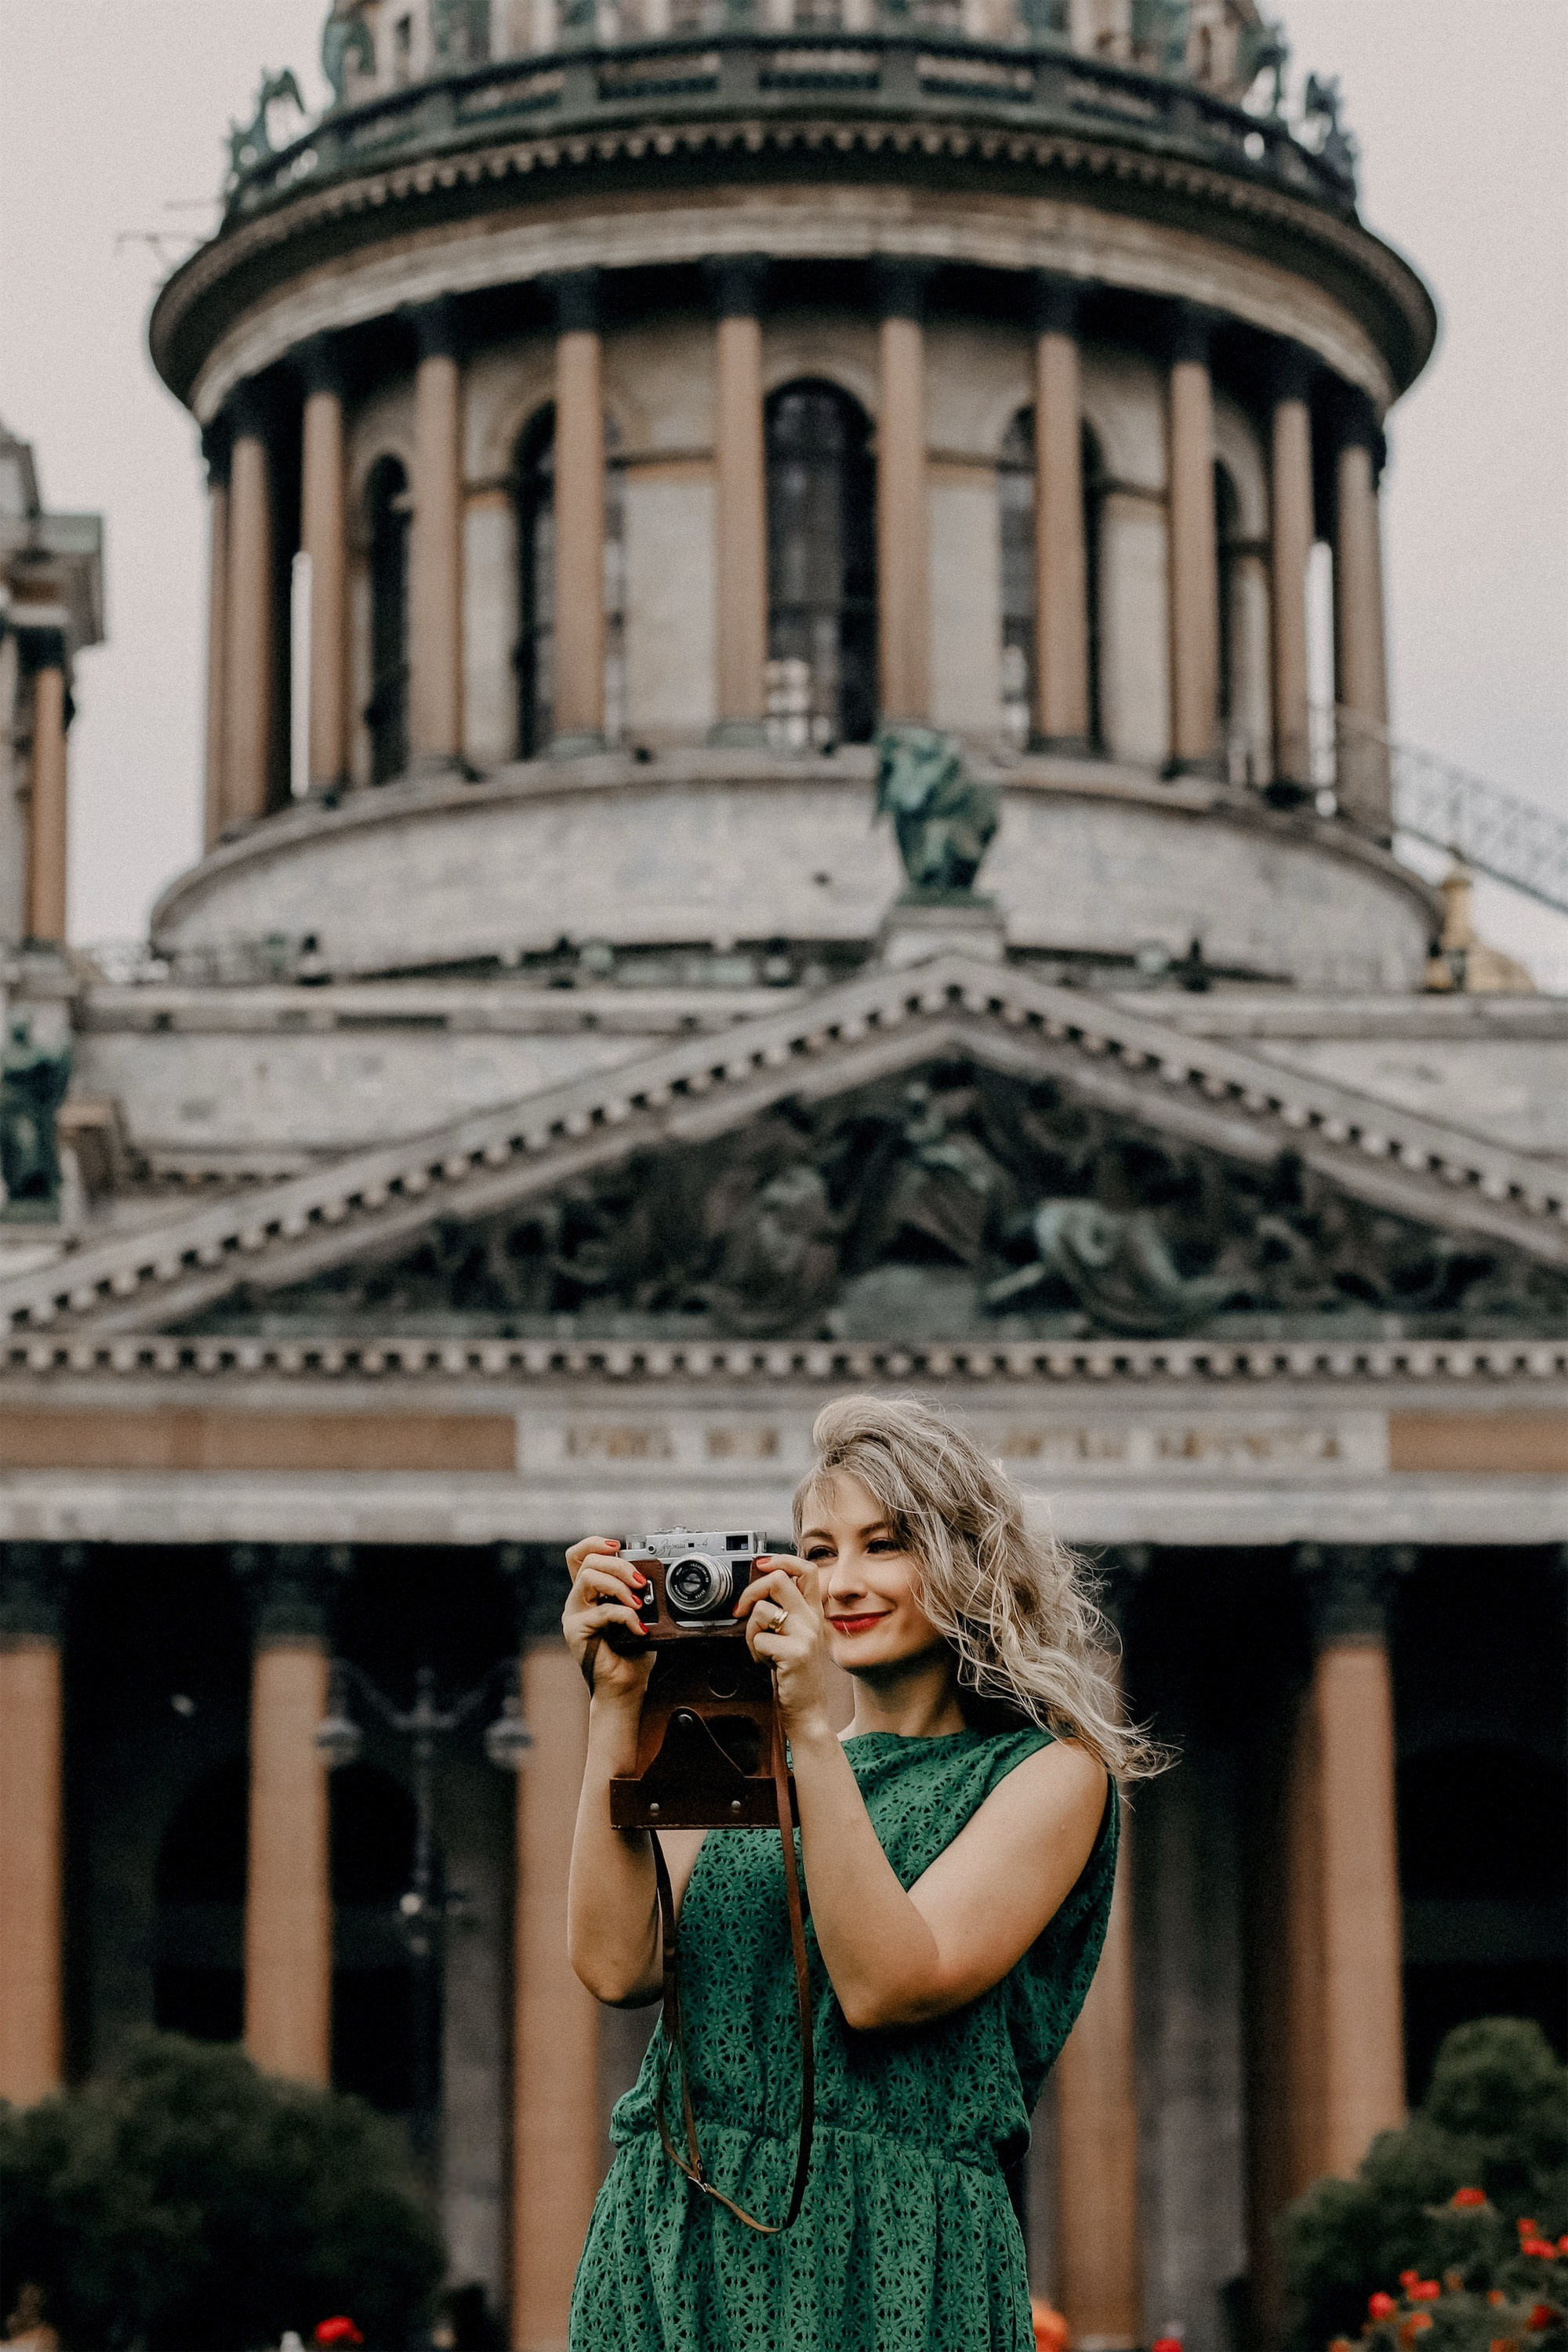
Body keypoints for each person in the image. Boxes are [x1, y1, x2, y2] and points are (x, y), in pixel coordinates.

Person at [562, 1393, 1160, 2352]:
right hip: (672, 2232)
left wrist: (806, 1728)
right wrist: (614, 1706)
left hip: (891, 2254)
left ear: (965, 1560)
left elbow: (885, 1986)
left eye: (884, 1545)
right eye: (818, 1550)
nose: (840, 1581)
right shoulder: (745, 1755)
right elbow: (614, 1964)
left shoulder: (1047, 1775)